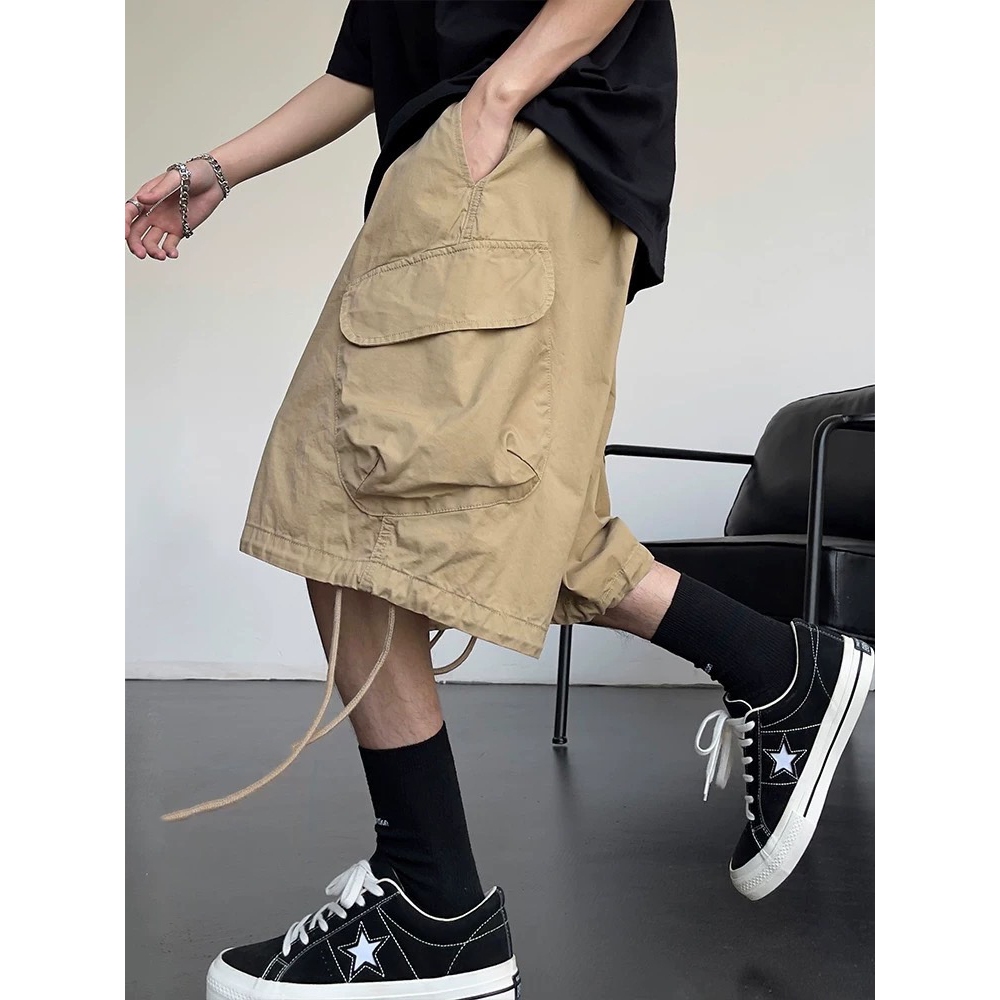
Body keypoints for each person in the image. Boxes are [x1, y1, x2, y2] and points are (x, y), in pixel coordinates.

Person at [125, 2, 874, 998]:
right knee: (525, 515)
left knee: (340, 501)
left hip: (506, 156)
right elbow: (363, 66)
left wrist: (497, 95)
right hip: (513, 167)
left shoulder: (503, 108)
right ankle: (777, 668)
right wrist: (219, 168)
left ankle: (431, 900)